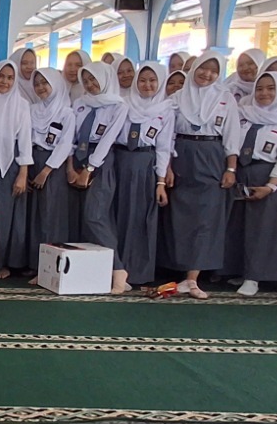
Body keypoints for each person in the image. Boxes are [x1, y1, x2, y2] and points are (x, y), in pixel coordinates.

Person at [164, 52, 239, 299]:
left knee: (205, 218)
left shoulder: (225, 98)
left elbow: (232, 135)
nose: (207, 74)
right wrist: (167, 167)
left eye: (213, 70)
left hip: (211, 156)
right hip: (181, 155)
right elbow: (167, 135)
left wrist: (230, 168)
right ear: (193, 69)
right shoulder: (176, 98)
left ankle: (192, 278)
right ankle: (176, 270)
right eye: (202, 68)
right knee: (180, 217)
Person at [225, 70, 277, 297]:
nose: (264, 93)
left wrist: (271, 185)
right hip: (240, 172)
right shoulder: (242, 114)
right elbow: (230, 141)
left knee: (262, 229)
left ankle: (254, 277)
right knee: (238, 225)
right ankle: (238, 269)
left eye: (270, 88)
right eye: (259, 88)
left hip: (267, 177)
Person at [111, 63, 176, 293]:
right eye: (143, 80)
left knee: (139, 218)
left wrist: (160, 181)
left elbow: (163, 147)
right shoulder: (123, 104)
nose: (147, 85)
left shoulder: (166, 110)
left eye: (152, 80)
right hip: (119, 162)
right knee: (117, 216)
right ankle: (115, 269)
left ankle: (137, 271)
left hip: (145, 165)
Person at [70, 61, 128, 261]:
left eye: (93, 79)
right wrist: (71, 166)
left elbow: (108, 138)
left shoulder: (118, 105)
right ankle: (90, 268)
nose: (89, 84)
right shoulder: (80, 103)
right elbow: (72, 135)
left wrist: (90, 168)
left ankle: (117, 269)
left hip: (101, 161)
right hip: (77, 158)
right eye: (85, 80)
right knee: (77, 218)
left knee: (95, 215)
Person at [0, 61, 32, 278]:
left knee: (9, 218)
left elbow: (25, 140)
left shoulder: (21, 105)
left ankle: (6, 263)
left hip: (12, 168)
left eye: (10, 78)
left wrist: (23, 173)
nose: (5, 81)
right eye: (1, 76)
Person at [24, 68, 76, 278]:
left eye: (45, 83)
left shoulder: (66, 112)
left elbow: (65, 144)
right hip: (32, 160)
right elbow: (25, 137)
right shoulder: (31, 109)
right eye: (37, 84)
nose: (41, 88)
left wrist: (46, 170)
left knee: (50, 216)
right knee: (33, 215)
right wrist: (27, 166)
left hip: (53, 166)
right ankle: (35, 263)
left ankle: (50, 267)